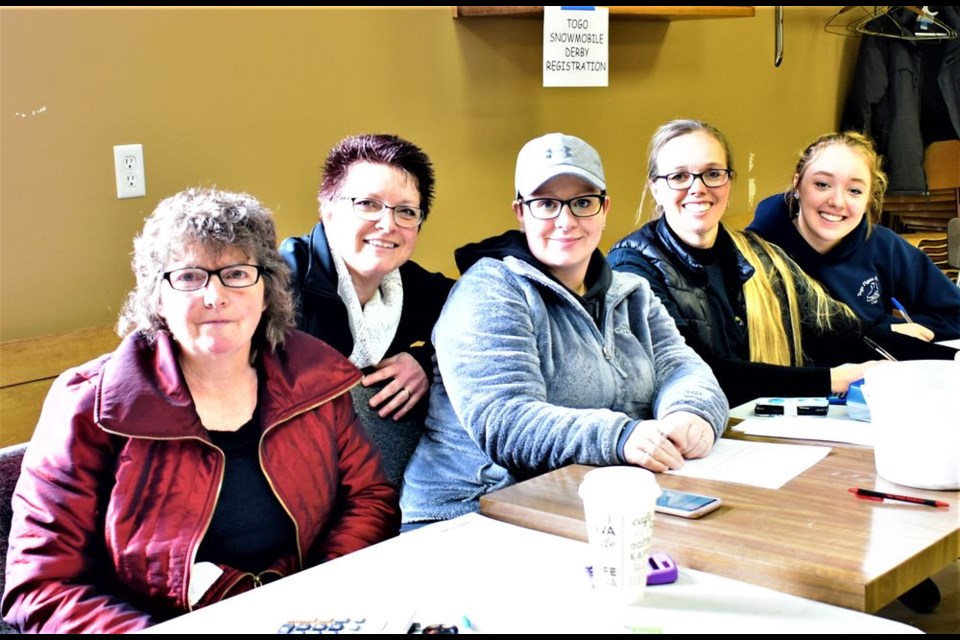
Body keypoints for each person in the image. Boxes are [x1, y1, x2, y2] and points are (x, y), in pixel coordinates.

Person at [1, 188, 399, 633]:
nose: (215, 296)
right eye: (190, 277)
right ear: (157, 298)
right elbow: (40, 587)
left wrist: (312, 608)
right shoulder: (87, 405)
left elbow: (368, 499)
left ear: (266, 290)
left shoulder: (316, 379)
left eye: (236, 273)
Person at [401, 132, 729, 525]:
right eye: (545, 204)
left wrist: (690, 413)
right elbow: (505, 421)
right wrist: (620, 438)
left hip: (587, 504)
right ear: (521, 212)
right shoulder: (489, 291)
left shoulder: (633, 292)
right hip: (475, 513)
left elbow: (684, 368)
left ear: (605, 209)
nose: (566, 220)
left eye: (583, 202)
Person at [607, 119, 885, 409]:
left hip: (757, 427)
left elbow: (841, 331)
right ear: (656, 188)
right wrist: (832, 379)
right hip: (683, 437)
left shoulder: (759, 254)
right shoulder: (631, 268)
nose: (697, 188)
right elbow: (701, 372)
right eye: (678, 177)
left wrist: (924, 363)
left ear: (729, 182)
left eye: (712, 174)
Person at [280, 134, 455, 486]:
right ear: (327, 211)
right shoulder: (279, 286)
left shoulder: (411, 286)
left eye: (406, 211)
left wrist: (425, 362)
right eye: (368, 204)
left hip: (370, 485)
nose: (388, 225)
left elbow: (482, 314)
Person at [749, 131, 960, 342]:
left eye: (855, 190)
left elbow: (954, 314)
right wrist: (880, 332)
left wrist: (898, 329)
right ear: (798, 184)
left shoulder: (885, 246)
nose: (837, 202)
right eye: (822, 184)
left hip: (876, 372)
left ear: (869, 199)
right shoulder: (757, 253)